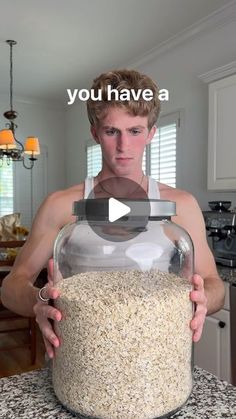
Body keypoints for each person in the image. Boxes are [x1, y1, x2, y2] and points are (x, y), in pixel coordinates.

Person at [1, 69, 225, 359]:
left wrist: (203, 298)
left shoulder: (180, 205)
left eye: (135, 131)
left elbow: (213, 282)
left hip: (154, 361)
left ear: (151, 134)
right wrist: (39, 299)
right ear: (95, 133)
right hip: (79, 360)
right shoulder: (61, 205)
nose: (123, 147)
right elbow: (11, 286)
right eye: (111, 131)